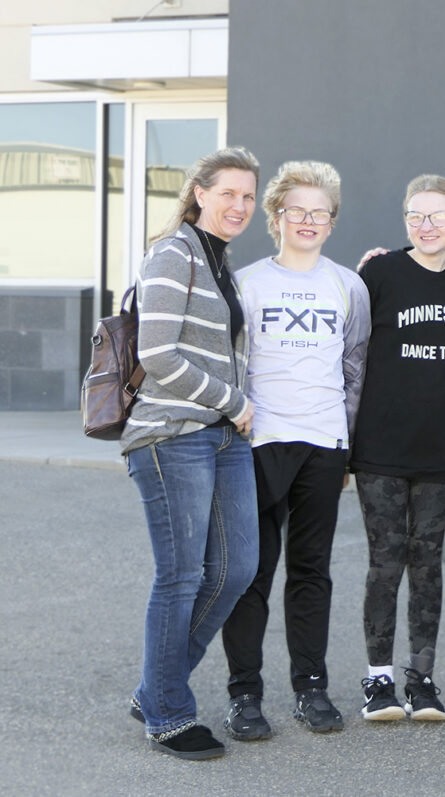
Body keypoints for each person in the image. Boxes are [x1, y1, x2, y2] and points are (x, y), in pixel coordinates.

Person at [220, 161, 370, 738]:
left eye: (320, 213)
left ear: (331, 223)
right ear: (276, 217)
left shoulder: (347, 285)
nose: (308, 220)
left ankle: (311, 688)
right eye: (296, 211)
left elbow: (354, 366)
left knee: (312, 572)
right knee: (251, 572)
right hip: (258, 444)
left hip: (323, 446)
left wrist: (346, 443)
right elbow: (232, 360)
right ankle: (245, 694)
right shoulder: (247, 282)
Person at [121, 147, 261, 760]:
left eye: (249, 197)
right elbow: (157, 355)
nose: (239, 206)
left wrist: (233, 409)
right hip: (171, 434)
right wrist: (232, 400)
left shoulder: (221, 261)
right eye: (228, 193)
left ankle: (156, 686)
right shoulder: (172, 252)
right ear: (199, 192)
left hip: (224, 435)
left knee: (235, 569)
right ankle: (169, 715)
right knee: (180, 577)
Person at [350, 175, 445, 722]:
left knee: (427, 563)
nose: (426, 226)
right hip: (379, 442)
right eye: (415, 216)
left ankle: (422, 681)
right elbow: (349, 343)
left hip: (437, 445)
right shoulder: (379, 271)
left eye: (438, 216)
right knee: (385, 562)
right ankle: (378, 681)